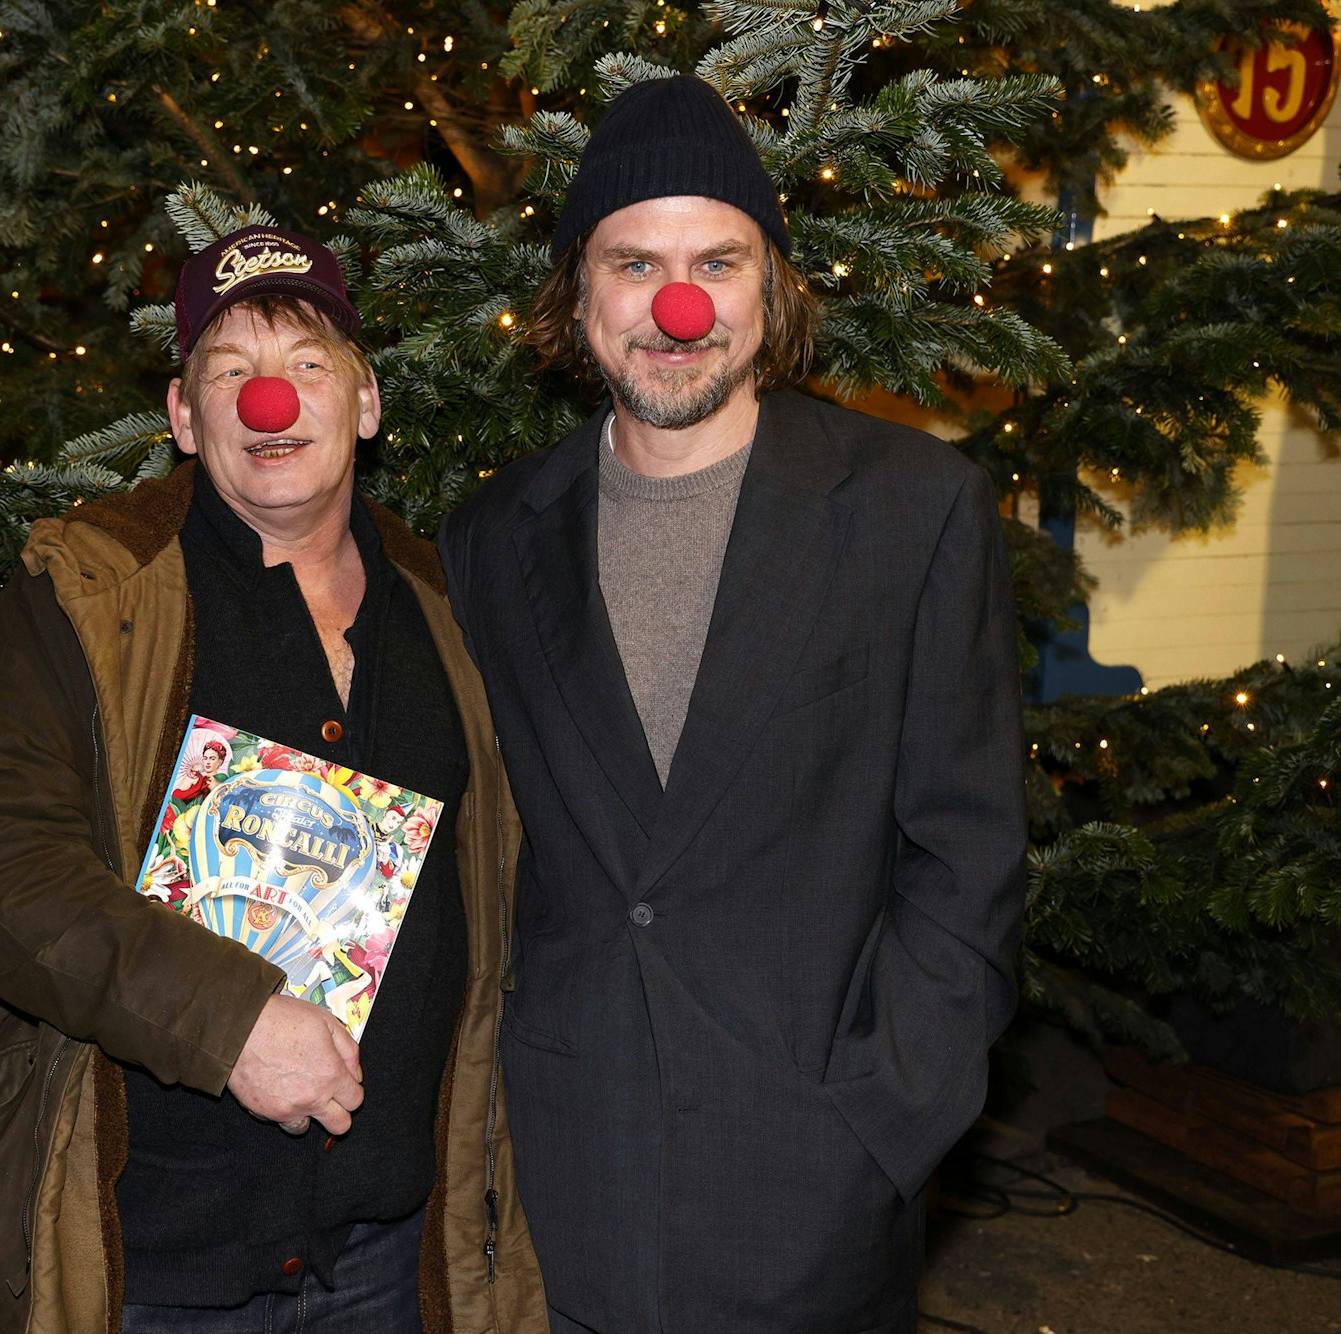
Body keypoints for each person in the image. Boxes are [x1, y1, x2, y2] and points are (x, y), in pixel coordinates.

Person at [436, 76, 1027, 1333]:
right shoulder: (493, 536)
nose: (677, 304)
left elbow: (967, 851)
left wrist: (883, 1115)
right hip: (561, 1182)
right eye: (632, 262)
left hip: (814, 1186)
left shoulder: (913, 509)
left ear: (773, 286)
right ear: (576, 292)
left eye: (718, 259)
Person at [0, 225, 546, 1334]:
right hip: (150, 1267)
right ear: (185, 418)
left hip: (391, 1257)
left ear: (367, 402)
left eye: (305, 365)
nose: (268, 402)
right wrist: (230, 1021)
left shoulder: (455, 610)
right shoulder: (90, 599)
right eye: (229, 372)